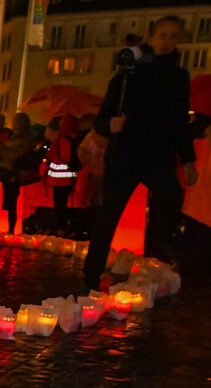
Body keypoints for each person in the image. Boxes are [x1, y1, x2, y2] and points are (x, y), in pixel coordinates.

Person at [82, 15, 198, 289]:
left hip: (159, 155)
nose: (167, 42)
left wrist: (188, 159)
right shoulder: (130, 72)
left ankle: (161, 245)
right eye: (163, 36)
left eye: (173, 36)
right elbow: (104, 114)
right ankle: (90, 274)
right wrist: (110, 126)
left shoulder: (180, 77)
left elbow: (180, 121)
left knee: (172, 196)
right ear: (152, 38)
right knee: (109, 215)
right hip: (126, 154)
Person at [0, 113, 41, 234]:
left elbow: (13, 154)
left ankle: (11, 230)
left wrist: (2, 148)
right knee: (10, 204)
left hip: (13, 175)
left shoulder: (24, 140)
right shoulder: (16, 138)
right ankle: (11, 228)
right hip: (10, 174)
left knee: (12, 204)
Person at [45, 114, 81, 231]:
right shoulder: (78, 140)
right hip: (71, 178)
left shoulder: (59, 141)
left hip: (57, 180)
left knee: (58, 205)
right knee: (66, 204)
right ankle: (66, 227)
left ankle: (58, 227)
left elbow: (49, 156)